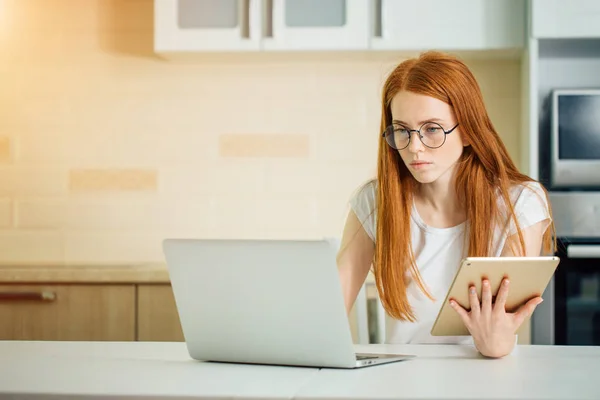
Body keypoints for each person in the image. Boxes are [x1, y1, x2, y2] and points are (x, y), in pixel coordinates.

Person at [336, 51, 555, 358]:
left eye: (432, 129)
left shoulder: (520, 203)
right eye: (402, 130)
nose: (414, 147)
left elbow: (502, 331)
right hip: (401, 378)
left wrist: (497, 344)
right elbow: (331, 309)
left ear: (467, 131)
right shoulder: (375, 202)